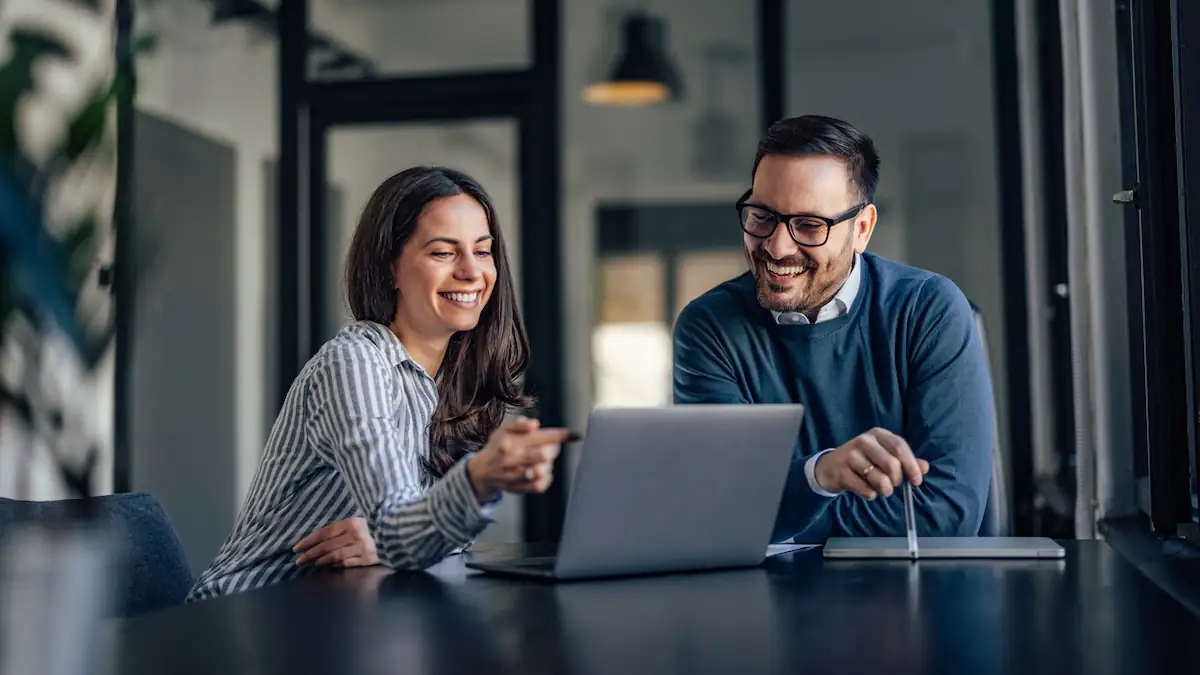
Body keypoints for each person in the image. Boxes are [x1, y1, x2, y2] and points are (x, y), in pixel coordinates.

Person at [188, 166, 572, 600]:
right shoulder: (353, 364)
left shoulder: (452, 378)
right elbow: (403, 529)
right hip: (245, 617)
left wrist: (385, 540)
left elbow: (417, 536)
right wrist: (472, 484)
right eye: (444, 253)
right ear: (390, 267)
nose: (471, 271)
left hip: (338, 615)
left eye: (482, 252)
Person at [672, 115, 995, 544]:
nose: (776, 247)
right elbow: (725, 510)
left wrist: (784, 510)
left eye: (809, 225)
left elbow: (946, 514)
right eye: (763, 216)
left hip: (912, 599)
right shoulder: (709, 328)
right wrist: (819, 476)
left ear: (861, 229)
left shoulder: (929, 310)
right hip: (762, 601)